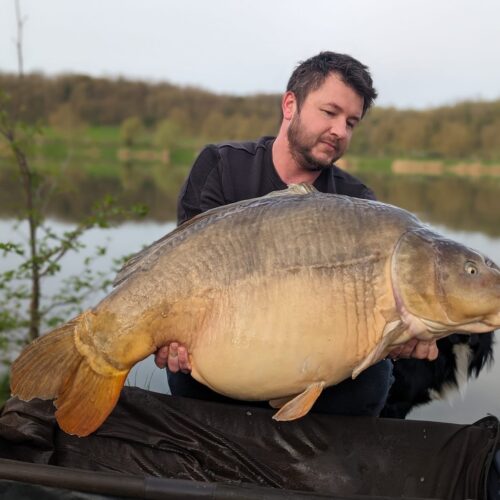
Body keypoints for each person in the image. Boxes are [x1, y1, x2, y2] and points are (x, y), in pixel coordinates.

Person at [154, 51, 439, 416]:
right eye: (330, 112)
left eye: (351, 123)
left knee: (376, 376)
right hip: (223, 353)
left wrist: (395, 337)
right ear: (290, 104)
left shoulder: (358, 204)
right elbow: (184, 272)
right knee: (184, 368)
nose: (340, 131)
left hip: (313, 367)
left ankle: (309, 466)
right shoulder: (222, 167)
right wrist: (170, 333)